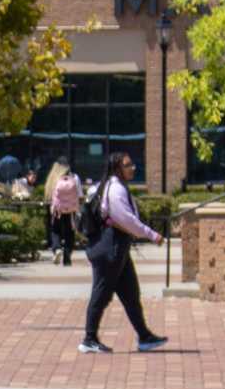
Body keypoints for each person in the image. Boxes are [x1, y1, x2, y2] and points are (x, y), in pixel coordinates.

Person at [79, 152, 169, 355]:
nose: (133, 168)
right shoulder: (115, 190)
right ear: (118, 168)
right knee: (101, 294)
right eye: (128, 165)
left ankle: (144, 337)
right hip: (111, 248)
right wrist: (152, 235)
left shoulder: (103, 186)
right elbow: (127, 220)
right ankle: (89, 339)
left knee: (130, 293)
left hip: (115, 249)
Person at [48, 162, 83, 266]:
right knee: (69, 233)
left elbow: (50, 194)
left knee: (55, 230)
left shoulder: (55, 178)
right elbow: (80, 195)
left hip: (58, 210)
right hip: (71, 210)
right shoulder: (75, 177)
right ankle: (67, 258)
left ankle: (57, 248)